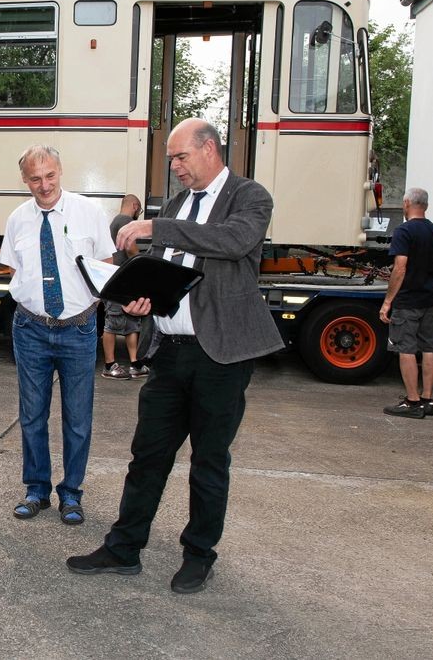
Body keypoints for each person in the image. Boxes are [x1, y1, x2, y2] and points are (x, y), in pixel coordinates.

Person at [66, 118, 283, 594]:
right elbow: (173, 274)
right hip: (169, 353)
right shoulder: (183, 203)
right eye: (172, 160)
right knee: (148, 456)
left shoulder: (249, 197)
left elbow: (233, 242)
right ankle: (124, 548)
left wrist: (157, 224)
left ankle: (199, 554)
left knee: (208, 460)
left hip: (220, 356)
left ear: (209, 149)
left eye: (181, 157)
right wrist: (142, 300)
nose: (176, 167)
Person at [0, 145, 115, 525]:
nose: (44, 184)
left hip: (78, 330)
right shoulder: (17, 219)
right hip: (30, 329)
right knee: (32, 416)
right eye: (35, 178)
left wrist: (93, 307)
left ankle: (71, 495)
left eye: (49, 175)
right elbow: (14, 271)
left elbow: (106, 267)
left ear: (60, 171)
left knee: (77, 418)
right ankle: (36, 491)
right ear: (25, 180)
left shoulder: (89, 213)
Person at [379, 187, 433, 419]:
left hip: (409, 300)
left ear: (407, 203)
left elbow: (400, 267)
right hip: (431, 298)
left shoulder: (404, 231)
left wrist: (388, 301)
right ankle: (427, 399)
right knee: (429, 348)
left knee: (405, 348)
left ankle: (412, 402)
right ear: (424, 205)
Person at [101, 194, 150, 380]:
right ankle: (109, 365)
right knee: (112, 323)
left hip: (122, 279)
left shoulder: (116, 221)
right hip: (118, 279)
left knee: (131, 323)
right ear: (135, 205)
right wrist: (142, 263)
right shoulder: (125, 221)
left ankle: (134, 364)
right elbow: (130, 249)